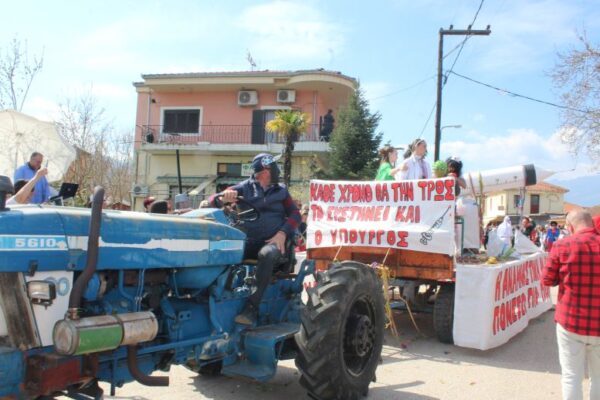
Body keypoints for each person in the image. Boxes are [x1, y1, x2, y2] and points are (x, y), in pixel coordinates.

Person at [210, 153, 301, 325]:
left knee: (267, 254)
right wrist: (223, 197)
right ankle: (215, 295)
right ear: (265, 170)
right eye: (273, 167)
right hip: (247, 242)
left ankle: (251, 308)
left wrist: (282, 233)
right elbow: (212, 200)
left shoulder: (281, 191)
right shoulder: (244, 187)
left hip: (272, 242)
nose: (277, 171)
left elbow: (295, 214)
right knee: (221, 250)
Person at [542, 210, 600, 400]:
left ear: (570, 226)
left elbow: (547, 280)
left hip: (571, 321)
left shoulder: (562, 245)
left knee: (571, 377)